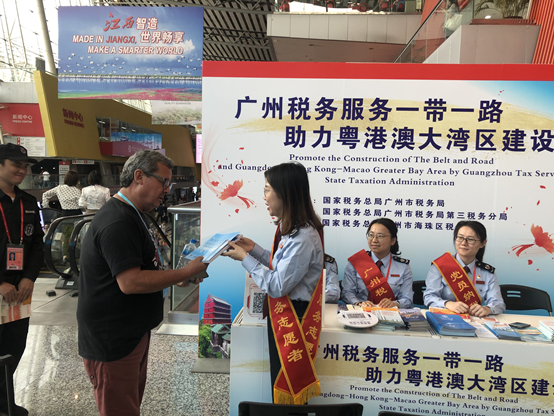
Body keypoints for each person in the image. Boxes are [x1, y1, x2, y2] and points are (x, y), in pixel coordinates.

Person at [77, 150, 208, 416]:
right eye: (163, 181)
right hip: (113, 338)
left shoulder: (132, 213)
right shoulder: (117, 221)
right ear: (139, 176)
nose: (167, 190)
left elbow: (142, 268)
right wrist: (184, 272)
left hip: (131, 332)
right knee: (119, 408)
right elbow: (131, 282)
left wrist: (175, 277)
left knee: (129, 403)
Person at [223, 162, 324, 404]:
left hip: (294, 318)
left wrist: (245, 259)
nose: (264, 197)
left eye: (267, 189)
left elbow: (278, 285)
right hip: (285, 313)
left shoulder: (303, 237)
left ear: (285, 193)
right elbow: (283, 267)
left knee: (288, 386)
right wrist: (254, 250)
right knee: (282, 384)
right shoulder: (293, 230)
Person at [0, 144, 44, 416]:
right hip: (1, 287)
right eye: (16, 164)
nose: (22, 170)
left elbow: (37, 243)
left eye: (25, 166)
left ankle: (5, 402)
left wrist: (29, 277)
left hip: (20, 291)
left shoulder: (27, 202)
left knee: (15, 346)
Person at [424, 220, 506, 317]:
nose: (463, 243)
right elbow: (429, 297)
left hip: (474, 320)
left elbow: (499, 304)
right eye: (460, 238)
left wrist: (487, 309)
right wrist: (447, 304)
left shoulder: (487, 272)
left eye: (470, 239)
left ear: (483, 243)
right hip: (445, 317)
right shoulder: (440, 266)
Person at [341, 217, 413, 309]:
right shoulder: (356, 263)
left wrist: (396, 304)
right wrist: (358, 303)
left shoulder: (403, 267)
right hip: (361, 311)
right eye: (371, 235)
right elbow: (347, 293)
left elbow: (407, 299)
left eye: (380, 236)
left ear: (393, 240)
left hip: (389, 313)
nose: (374, 240)